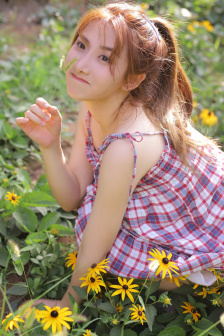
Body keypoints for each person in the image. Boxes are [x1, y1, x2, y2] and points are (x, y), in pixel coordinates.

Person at [16, 1, 224, 308]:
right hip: (165, 211)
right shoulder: (91, 103)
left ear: (132, 80)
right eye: (81, 44)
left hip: (204, 228)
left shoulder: (127, 145)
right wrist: (50, 146)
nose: (82, 64)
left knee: (119, 260)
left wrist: (68, 304)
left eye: (104, 57)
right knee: (97, 234)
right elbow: (72, 197)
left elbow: (95, 246)